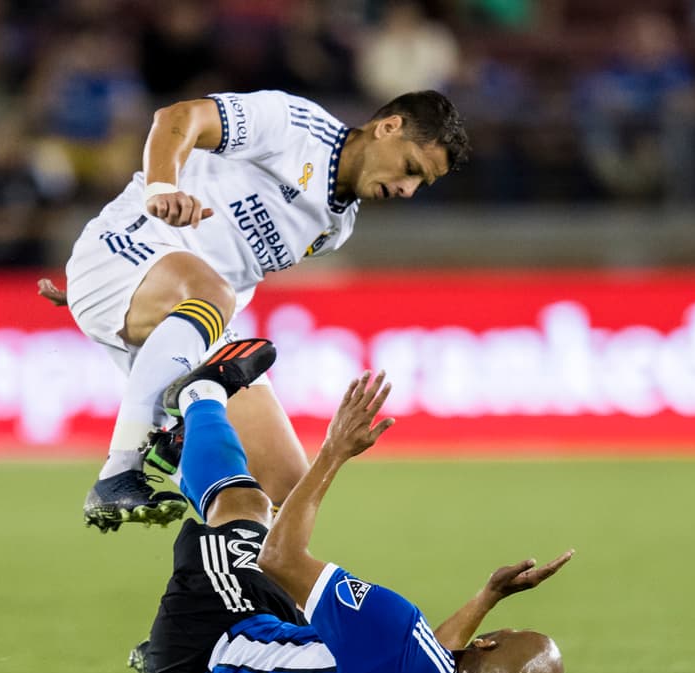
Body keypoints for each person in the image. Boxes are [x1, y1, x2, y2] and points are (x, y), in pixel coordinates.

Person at [39, 87, 470, 532]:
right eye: (410, 169)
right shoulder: (294, 125)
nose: (407, 189)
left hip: (183, 312)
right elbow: (178, 117)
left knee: (284, 490)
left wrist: (139, 297)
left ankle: (194, 477)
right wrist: (162, 188)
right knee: (214, 297)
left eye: (420, 184)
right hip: (126, 249)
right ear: (388, 127)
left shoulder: (335, 228)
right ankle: (121, 470)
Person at [132, 338, 573, 673]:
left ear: (488, 644)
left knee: (247, 508)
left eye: (511, 633)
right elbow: (425, 670)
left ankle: (200, 395)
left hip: (205, 658)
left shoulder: (394, 628)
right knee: (286, 514)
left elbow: (278, 559)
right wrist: (486, 597)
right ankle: (179, 455)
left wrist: (335, 450)